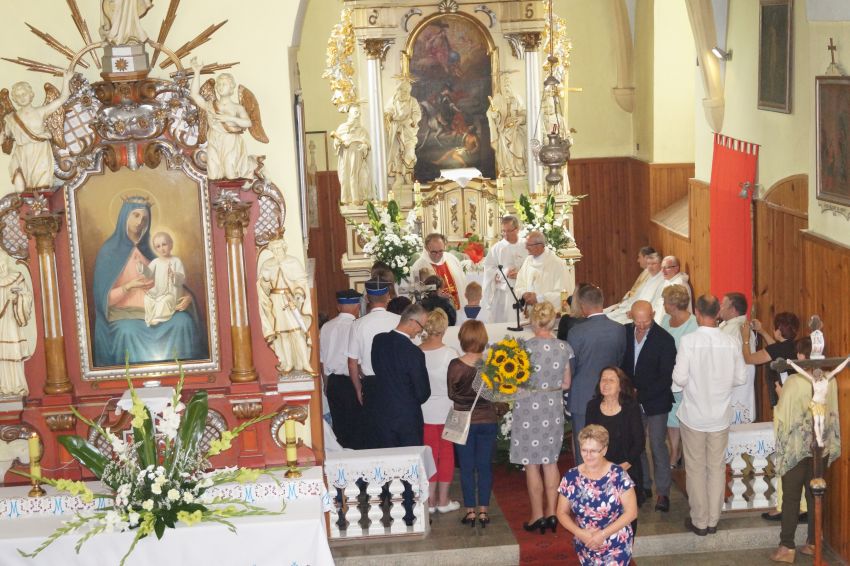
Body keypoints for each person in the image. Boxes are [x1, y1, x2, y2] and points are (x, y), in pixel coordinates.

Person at [92, 197, 205, 367]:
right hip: (125, 316)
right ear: (124, 217)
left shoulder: (152, 249)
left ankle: (185, 373)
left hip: (159, 311)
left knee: (183, 322)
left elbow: (171, 282)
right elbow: (103, 300)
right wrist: (128, 287)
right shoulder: (109, 251)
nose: (140, 222)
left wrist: (187, 296)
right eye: (136, 215)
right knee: (128, 332)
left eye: (144, 218)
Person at [673, 295, 747, 536]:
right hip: (720, 415)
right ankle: (713, 520)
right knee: (716, 468)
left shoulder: (688, 341)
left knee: (695, 469)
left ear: (696, 312)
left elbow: (679, 379)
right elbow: (740, 378)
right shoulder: (730, 342)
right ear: (717, 313)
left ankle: (700, 521)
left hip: (694, 414)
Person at [769, 338, 841, 563]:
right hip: (821, 446)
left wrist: (780, 395)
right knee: (815, 496)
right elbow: (833, 412)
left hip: (797, 448)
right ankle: (813, 542)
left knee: (791, 497)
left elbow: (783, 414)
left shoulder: (794, 381)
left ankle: (786, 547)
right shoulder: (830, 380)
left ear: (801, 356)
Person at [511, 302, 573, 534]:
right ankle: (553, 513)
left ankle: (537, 515)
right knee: (550, 462)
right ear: (553, 321)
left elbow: (515, 383)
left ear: (533, 321)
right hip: (552, 408)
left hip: (528, 409)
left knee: (532, 464)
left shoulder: (524, 348)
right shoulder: (564, 347)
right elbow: (566, 383)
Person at [620, 300, 676, 512]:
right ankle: (643, 485)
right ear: (630, 316)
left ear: (653, 314)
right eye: (638, 322)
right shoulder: (625, 333)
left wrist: (640, 394)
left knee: (657, 445)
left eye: (646, 321)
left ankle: (663, 492)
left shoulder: (665, 339)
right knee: (637, 444)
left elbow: (666, 377)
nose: (642, 326)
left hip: (656, 399)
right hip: (631, 399)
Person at [556, 425, 639, 566]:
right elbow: (561, 512)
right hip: (586, 541)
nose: (588, 456)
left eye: (593, 451)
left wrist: (602, 534)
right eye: (584, 450)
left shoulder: (618, 475)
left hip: (616, 541)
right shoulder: (571, 476)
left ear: (604, 450)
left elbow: (632, 513)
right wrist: (580, 533)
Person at [447, 320, 503, 528]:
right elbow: (494, 394)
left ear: (462, 339)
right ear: (483, 339)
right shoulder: (490, 365)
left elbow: (452, 394)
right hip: (487, 420)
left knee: (467, 467)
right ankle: (484, 511)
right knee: (485, 467)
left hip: (463, 421)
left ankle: (470, 511)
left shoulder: (455, 365)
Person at [567, 284, 627, 463]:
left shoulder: (576, 332)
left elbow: (571, 367)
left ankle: (585, 480)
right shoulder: (619, 329)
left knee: (584, 447)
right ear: (602, 302)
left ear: (583, 306)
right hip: (610, 394)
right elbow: (620, 361)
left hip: (582, 395)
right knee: (608, 444)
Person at [585, 368, 645, 526]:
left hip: (626, 468)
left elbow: (639, 442)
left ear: (620, 385)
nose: (605, 383)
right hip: (599, 469)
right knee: (601, 517)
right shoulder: (592, 406)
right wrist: (601, 468)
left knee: (627, 519)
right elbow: (587, 440)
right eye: (603, 379)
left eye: (611, 380)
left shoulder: (631, 407)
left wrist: (621, 467)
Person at [189, 59, 266, 180]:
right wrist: (197, 72)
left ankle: (252, 163)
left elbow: (247, 122)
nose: (220, 87)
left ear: (231, 88)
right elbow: (195, 95)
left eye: (224, 84)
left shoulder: (237, 107)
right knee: (213, 175)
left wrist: (229, 118)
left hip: (230, 142)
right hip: (214, 141)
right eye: (219, 84)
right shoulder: (210, 105)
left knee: (231, 175)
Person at [346, 279, 401, 448]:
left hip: (371, 384)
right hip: (396, 382)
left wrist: (358, 389)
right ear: (388, 296)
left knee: (375, 433)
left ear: (367, 298)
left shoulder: (358, 324)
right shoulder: (399, 320)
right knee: (396, 431)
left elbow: (352, 363)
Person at [370, 304, 431, 448]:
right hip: (407, 418)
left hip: (382, 414)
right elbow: (423, 393)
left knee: (387, 458)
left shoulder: (379, 340)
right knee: (410, 459)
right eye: (421, 326)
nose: (421, 331)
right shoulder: (414, 352)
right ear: (412, 322)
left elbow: (375, 368)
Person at [1, 71, 73, 192]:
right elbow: (3, 136)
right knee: (19, 182)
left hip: (39, 151)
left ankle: (40, 201)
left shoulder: (41, 112)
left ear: (31, 94)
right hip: (21, 153)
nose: (22, 97)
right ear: (14, 99)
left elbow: (62, 99)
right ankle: (23, 201)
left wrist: (66, 80)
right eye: (18, 96)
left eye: (24, 94)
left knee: (40, 186)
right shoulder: (10, 118)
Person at [419, 308, 460, 513]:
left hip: (423, 409)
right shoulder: (451, 353)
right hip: (447, 409)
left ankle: (430, 500)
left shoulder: (417, 351)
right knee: (446, 454)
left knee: (429, 455)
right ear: (444, 329)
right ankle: (443, 500)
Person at [257, 239, 313, 374]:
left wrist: (298, 295)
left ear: (284, 248)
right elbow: (263, 289)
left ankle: (305, 363)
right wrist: (265, 280)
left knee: (297, 332)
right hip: (276, 301)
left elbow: (301, 281)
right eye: (274, 249)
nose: (277, 251)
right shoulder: (267, 265)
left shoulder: (293, 262)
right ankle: (288, 363)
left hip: (290, 300)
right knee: (283, 335)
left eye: (279, 248)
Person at [659, 284, 697, 470]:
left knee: (686, 415)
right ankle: (674, 451)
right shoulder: (666, 320)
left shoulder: (693, 324)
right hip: (668, 375)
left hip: (687, 377)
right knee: (671, 417)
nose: (663, 305)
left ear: (673, 305)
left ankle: (687, 451)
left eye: (665, 302)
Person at [320, 289, 363, 449]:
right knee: (357, 428)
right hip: (352, 382)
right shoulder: (357, 326)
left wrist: (326, 385)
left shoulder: (326, 326)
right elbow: (358, 361)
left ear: (338, 306)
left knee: (339, 428)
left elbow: (322, 360)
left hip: (333, 382)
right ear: (357, 307)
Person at [740, 311, 800, 407]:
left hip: (783, 398)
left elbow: (748, 359)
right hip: (797, 394)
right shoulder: (795, 345)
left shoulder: (777, 349)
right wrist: (761, 331)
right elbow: (776, 349)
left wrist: (745, 339)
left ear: (779, 331)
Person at [718, 292, 757, 424]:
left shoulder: (733, 329)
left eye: (723, 305)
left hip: (735, 385)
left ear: (733, 310)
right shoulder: (732, 326)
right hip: (737, 383)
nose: (720, 307)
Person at [481, 215, 527, 323]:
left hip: (524, 290)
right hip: (504, 293)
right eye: (503, 231)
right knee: (506, 321)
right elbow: (489, 268)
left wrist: (520, 274)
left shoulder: (526, 245)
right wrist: (504, 272)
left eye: (509, 231)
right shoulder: (497, 248)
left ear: (517, 229)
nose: (506, 234)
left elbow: (533, 265)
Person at [0, 252, 34, 396]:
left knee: (13, 352)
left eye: (1, 262)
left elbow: (27, 296)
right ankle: (2, 385)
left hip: (11, 321)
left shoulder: (17, 277)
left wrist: (16, 298)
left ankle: (16, 385)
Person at [137, 231, 185, 327]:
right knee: (147, 299)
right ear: (155, 249)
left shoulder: (176, 261)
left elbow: (182, 278)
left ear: (171, 244)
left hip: (172, 293)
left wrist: (174, 276)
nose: (162, 248)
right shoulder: (156, 262)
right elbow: (148, 273)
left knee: (165, 300)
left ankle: (158, 318)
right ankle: (151, 317)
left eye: (164, 244)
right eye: (158, 246)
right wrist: (142, 267)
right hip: (159, 291)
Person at [514, 231, 570, 312]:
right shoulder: (528, 261)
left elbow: (563, 293)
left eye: (529, 245)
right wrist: (524, 294)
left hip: (549, 315)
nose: (526, 248)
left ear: (539, 246)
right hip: (530, 313)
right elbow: (520, 283)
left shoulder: (556, 263)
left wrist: (539, 298)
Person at [410, 233, 467, 310]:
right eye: (434, 252)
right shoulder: (418, 266)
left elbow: (463, 284)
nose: (437, 255)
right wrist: (437, 296)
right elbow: (417, 296)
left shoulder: (452, 259)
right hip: (434, 313)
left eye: (441, 251)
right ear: (426, 248)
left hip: (458, 309)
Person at [487, 72, 527, 177]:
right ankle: (508, 171)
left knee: (519, 149)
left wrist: (521, 119)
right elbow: (492, 114)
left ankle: (518, 169)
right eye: (504, 85)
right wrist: (494, 113)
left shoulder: (517, 98)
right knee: (505, 154)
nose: (506, 87)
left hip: (515, 131)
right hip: (503, 131)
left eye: (508, 84)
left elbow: (524, 114)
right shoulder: (497, 98)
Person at [606, 252, 663, 324]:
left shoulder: (662, 281)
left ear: (661, 264)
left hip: (642, 316)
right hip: (632, 309)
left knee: (612, 323)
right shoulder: (649, 277)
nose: (650, 267)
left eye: (653, 264)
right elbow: (637, 297)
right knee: (607, 317)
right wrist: (629, 308)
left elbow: (653, 304)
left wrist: (634, 312)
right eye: (648, 264)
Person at [384, 78, 421, 189]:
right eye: (401, 90)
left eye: (406, 90)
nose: (403, 92)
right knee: (397, 154)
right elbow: (388, 111)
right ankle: (399, 177)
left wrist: (413, 120)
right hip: (396, 129)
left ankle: (408, 176)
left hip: (408, 129)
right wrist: (388, 116)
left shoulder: (412, 101)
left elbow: (417, 113)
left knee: (409, 153)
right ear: (397, 90)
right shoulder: (393, 100)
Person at [331, 103, 372, 204]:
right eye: (356, 112)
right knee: (345, 175)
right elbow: (336, 142)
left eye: (359, 113)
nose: (358, 115)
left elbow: (367, 143)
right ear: (349, 114)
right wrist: (338, 142)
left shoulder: (362, 130)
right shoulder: (342, 128)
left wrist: (364, 146)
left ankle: (356, 198)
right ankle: (346, 198)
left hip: (356, 154)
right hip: (345, 155)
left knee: (355, 175)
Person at [652, 256, 692, 323]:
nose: (662, 271)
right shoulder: (668, 281)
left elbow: (675, 310)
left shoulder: (679, 285)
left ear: (676, 268)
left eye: (666, 267)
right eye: (662, 267)